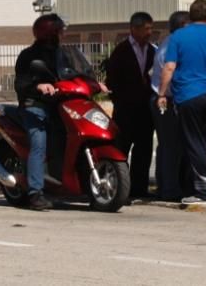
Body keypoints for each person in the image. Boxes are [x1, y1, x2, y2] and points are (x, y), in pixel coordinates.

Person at [13, 13, 106, 211]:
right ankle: (35, 193)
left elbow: (75, 73)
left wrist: (93, 82)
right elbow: (20, 82)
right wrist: (38, 86)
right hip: (35, 106)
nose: (63, 34)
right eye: (60, 31)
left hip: (60, 105)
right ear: (50, 33)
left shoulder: (63, 54)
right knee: (39, 145)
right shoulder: (29, 55)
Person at [157, 0, 206, 205]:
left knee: (191, 141)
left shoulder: (179, 37)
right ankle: (205, 188)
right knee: (204, 141)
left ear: (190, 16)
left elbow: (169, 66)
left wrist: (162, 93)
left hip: (187, 94)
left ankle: (202, 191)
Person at [103, 11, 156, 199]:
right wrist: (120, 100)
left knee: (144, 150)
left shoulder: (152, 50)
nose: (150, 32)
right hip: (125, 111)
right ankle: (119, 188)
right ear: (134, 29)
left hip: (145, 111)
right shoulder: (122, 51)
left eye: (151, 28)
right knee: (121, 149)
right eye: (146, 28)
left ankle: (138, 189)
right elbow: (112, 81)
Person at [148, 10, 190, 201]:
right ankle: (169, 189)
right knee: (170, 146)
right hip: (165, 98)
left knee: (169, 146)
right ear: (182, 26)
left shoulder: (171, 42)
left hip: (166, 97)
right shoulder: (171, 44)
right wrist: (163, 94)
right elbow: (169, 70)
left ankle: (168, 185)